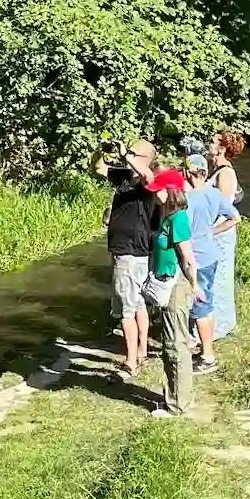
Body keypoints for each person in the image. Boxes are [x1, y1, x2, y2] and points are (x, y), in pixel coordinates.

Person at [94, 139, 157, 379]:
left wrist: (125, 154)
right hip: (122, 250)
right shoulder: (123, 177)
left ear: (145, 158)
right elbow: (98, 169)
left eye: (133, 152)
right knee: (137, 303)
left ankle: (131, 360)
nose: (127, 155)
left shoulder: (147, 181)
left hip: (132, 252)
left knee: (127, 310)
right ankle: (141, 351)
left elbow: (148, 176)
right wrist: (102, 152)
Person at [143, 167, 200, 416]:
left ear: (170, 192)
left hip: (176, 287)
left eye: (159, 192)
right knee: (172, 342)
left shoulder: (178, 219)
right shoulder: (170, 217)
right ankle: (180, 398)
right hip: (169, 285)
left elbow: (187, 258)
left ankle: (178, 404)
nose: (156, 196)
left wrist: (195, 286)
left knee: (175, 344)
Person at [184, 156, 239, 373]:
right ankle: (203, 344)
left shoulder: (187, 199)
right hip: (211, 255)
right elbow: (234, 218)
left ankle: (207, 356)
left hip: (194, 258)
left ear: (188, 173)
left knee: (198, 306)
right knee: (207, 301)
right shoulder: (214, 193)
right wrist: (212, 231)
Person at [206, 130, 245, 338]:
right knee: (212, 277)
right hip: (213, 232)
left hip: (221, 231)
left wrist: (209, 229)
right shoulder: (214, 168)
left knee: (220, 277)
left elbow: (222, 206)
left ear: (222, 148)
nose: (208, 144)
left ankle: (221, 326)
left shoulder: (225, 173)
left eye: (212, 142)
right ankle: (216, 323)